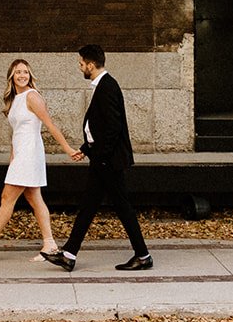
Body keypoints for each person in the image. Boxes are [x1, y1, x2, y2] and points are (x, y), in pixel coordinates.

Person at [42, 44, 152, 272]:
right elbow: (100, 127)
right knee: (89, 207)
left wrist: (100, 157)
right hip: (103, 159)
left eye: (81, 64)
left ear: (91, 65)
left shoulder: (107, 86)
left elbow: (113, 128)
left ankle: (143, 256)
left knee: (121, 207)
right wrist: (87, 148)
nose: (80, 68)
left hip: (108, 162)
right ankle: (69, 255)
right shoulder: (103, 85)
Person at [0, 58, 80, 258]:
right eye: (18, 72)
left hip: (30, 153)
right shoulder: (14, 100)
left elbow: (50, 125)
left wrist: (67, 149)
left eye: (25, 72)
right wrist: (12, 158)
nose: (22, 75)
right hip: (20, 154)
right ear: (11, 76)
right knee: (34, 198)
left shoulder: (32, 96)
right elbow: (16, 133)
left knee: (7, 197)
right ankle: (50, 244)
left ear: (30, 75)